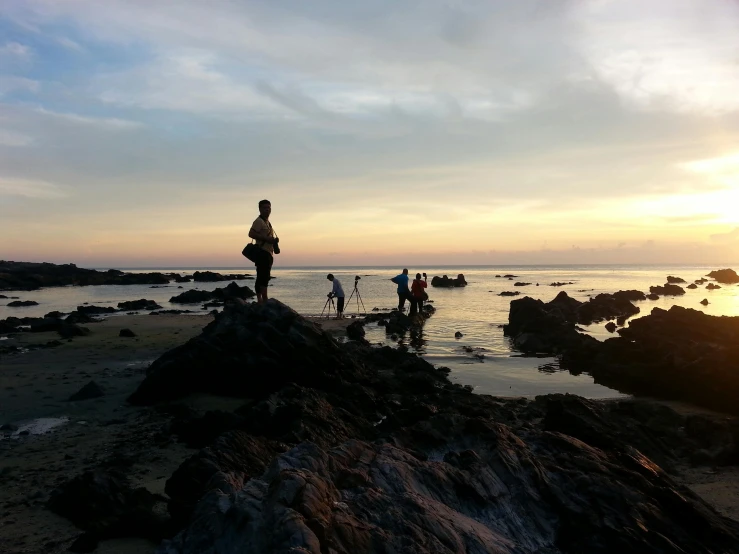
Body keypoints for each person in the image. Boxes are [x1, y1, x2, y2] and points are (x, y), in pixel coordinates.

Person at [248, 199, 278, 304]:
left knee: (263, 276)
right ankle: (262, 299)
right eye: (265, 208)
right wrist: (266, 239)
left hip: (268, 252)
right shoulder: (259, 221)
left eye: (269, 207)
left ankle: (261, 299)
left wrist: (273, 241)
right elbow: (251, 233)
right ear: (260, 209)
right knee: (263, 277)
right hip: (262, 252)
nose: (267, 210)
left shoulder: (268, 223)